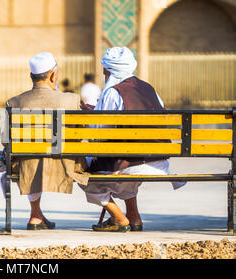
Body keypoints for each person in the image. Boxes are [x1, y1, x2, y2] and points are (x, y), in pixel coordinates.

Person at [79, 47, 186, 232]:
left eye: (105, 68)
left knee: (80, 172)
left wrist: (90, 118)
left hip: (129, 162)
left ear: (110, 70)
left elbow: (99, 134)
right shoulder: (149, 88)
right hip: (158, 161)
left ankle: (118, 217)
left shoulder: (113, 92)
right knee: (124, 162)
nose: (103, 72)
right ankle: (134, 216)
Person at [1, 52, 89, 230]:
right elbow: (81, 135)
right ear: (53, 75)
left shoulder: (15, 102)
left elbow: (5, 141)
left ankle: (35, 215)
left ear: (31, 77)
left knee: (27, 161)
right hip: (66, 164)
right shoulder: (71, 100)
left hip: (27, 165)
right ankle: (37, 216)